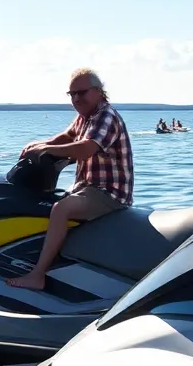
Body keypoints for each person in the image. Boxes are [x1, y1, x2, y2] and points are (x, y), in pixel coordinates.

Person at [7, 68, 134, 290]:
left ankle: (37, 275)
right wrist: (39, 145)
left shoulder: (106, 116)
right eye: (71, 94)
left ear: (99, 92)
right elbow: (67, 136)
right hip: (87, 188)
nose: (76, 99)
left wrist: (48, 150)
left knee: (61, 209)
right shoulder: (86, 116)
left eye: (81, 93)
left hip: (109, 193)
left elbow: (85, 148)